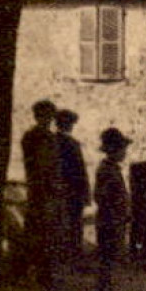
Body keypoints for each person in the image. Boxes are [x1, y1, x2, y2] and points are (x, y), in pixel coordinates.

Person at [19, 100, 62, 290]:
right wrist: (50, 188)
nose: (49, 120)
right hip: (41, 192)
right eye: (45, 116)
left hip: (47, 192)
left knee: (46, 234)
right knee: (39, 234)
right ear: (38, 116)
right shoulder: (34, 138)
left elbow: (54, 167)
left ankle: (43, 274)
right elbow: (41, 167)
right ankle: (36, 274)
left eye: (50, 116)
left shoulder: (47, 137)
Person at [93, 128, 132, 291]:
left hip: (113, 221)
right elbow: (102, 197)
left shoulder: (111, 169)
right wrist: (116, 215)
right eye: (121, 148)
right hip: (109, 222)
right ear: (113, 150)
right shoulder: (106, 170)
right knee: (107, 259)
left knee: (110, 258)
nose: (124, 152)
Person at [55, 109, 89, 261]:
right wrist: (85, 192)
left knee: (63, 222)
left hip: (62, 190)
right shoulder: (71, 143)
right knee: (74, 224)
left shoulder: (53, 142)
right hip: (73, 190)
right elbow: (80, 171)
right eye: (69, 123)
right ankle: (74, 255)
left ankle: (65, 253)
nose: (70, 126)